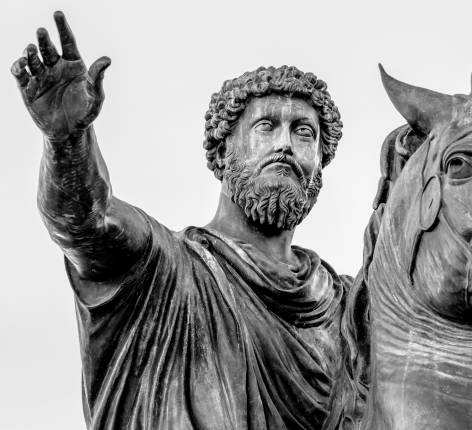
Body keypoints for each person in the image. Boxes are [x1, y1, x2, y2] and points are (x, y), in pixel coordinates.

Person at [12, 11, 350, 430]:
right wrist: (66, 141)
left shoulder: (349, 306)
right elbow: (87, 221)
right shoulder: (163, 267)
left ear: (320, 163)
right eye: (267, 126)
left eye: (304, 132)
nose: (285, 144)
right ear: (223, 151)